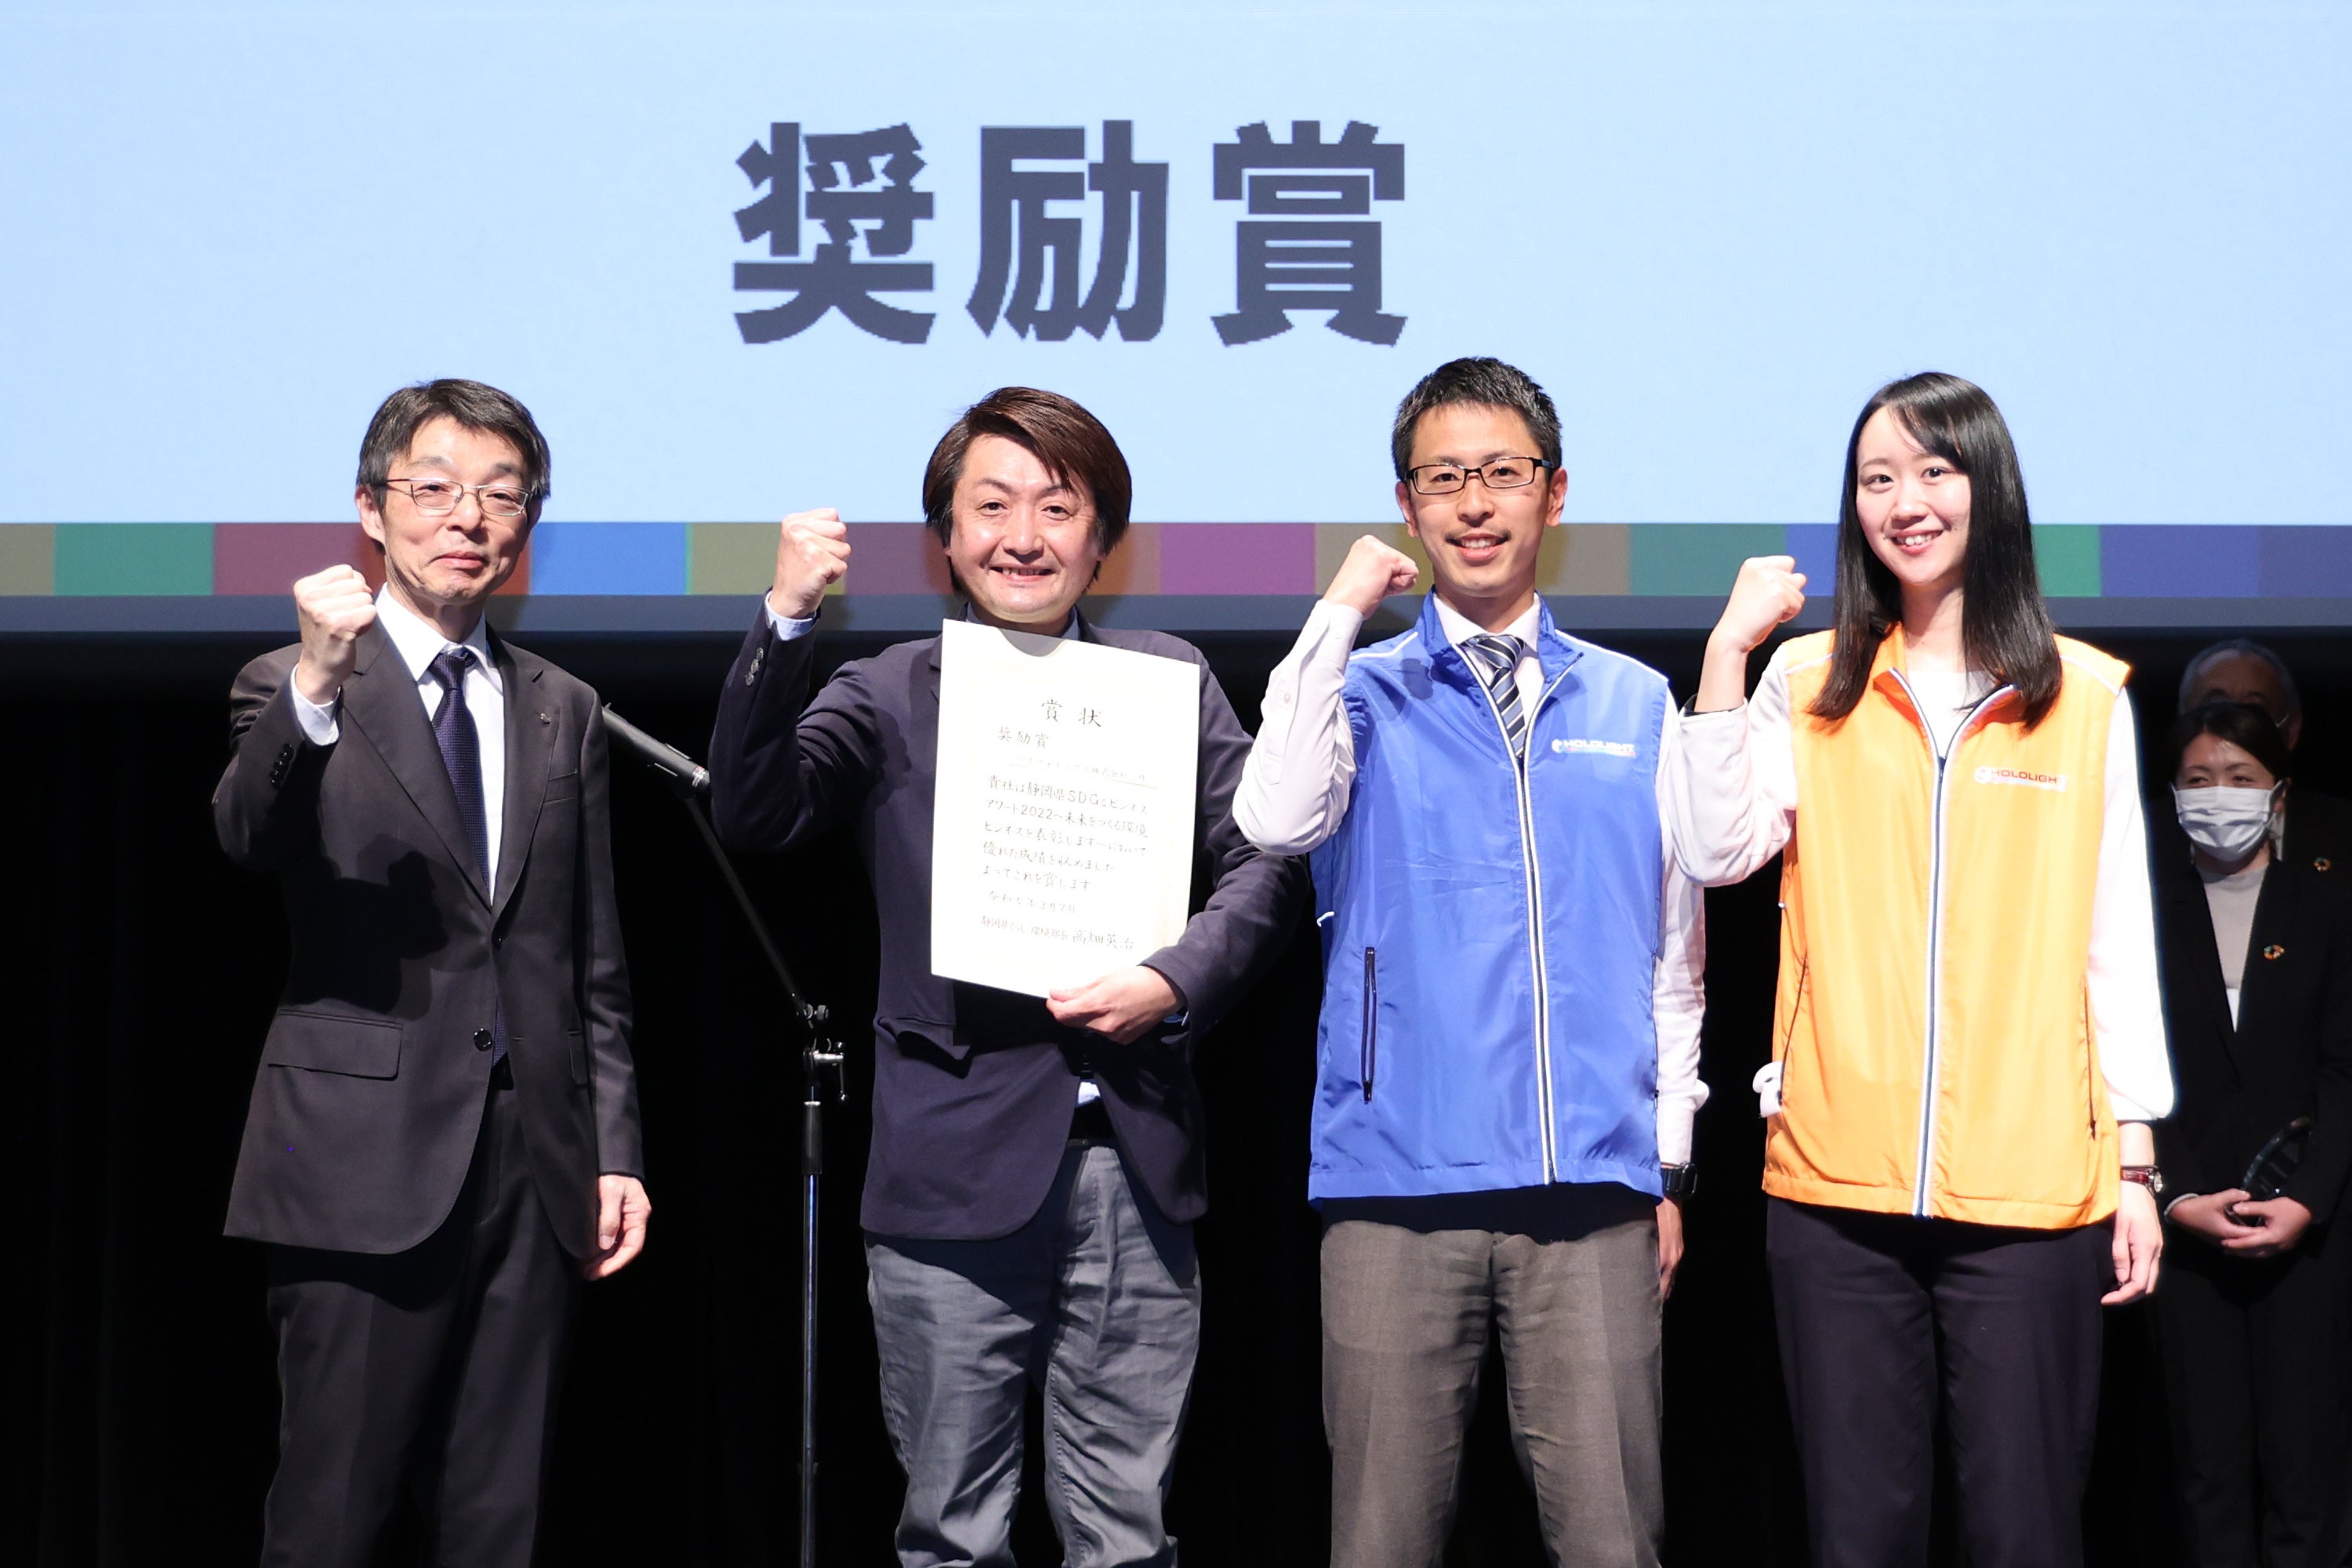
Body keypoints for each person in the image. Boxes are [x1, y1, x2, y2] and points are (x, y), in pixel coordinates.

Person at [706, 387, 1303, 1568]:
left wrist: (1174, 979)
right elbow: (756, 807)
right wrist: (785, 616)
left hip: (1136, 1165)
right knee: (953, 1535)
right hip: (950, 1169)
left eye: (1058, 506)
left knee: (1129, 1535)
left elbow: (1265, 866)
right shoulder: (887, 691)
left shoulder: (1166, 677)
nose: (1023, 536)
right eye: (991, 506)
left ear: (1103, 539)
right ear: (944, 539)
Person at [1669, 371, 2174, 1567]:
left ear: (1986, 488)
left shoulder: (2085, 698)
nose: (1904, 500)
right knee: (1858, 1537)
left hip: (2034, 1196)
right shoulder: (1809, 682)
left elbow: (2117, 942)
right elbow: (1710, 847)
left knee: (2025, 1533)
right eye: (1876, 478)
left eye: (1933, 471)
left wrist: (2139, 1157)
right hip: (1836, 1192)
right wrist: (1727, 655)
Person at [1235, 356, 1707, 1568]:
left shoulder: (1639, 703)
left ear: (1556, 493)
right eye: (1444, 478)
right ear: (1408, 506)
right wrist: (1337, 615)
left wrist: (1669, 1166)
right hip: (1396, 1187)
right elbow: (1275, 820)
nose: (1475, 503)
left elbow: (1675, 959)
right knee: (1381, 1545)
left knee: (1615, 1545)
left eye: (1503, 472)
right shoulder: (1362, 691)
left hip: (1592, 1195)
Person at [212, 379, 649, 1567]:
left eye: (502, 497)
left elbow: (589, 955)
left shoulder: (564, 707)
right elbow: (248, 835)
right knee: (331, 1517)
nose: (470, 517)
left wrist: (615, 1149)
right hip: (360, 1161)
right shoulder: (291, 684)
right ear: (370, 509)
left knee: (497, 1524)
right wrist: (313, 681)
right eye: (436, 489)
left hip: (535, 1168)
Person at [2152, 700, 2352, 1568]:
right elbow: (2119, 1071)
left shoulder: (2327, 905)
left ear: (2279, 794)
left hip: (2309, 1230)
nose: (2217, 796)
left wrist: (2308, 1199)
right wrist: (2180, 1194)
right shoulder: (2141, 911)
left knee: (2308, 1474)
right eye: (2199, 780)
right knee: (2207, 1473)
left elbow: (2346, 1071)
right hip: (2186, 1232)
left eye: (2239, 778)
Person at [2178, 637, 2352, 877]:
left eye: (2254, 709)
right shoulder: (2132, 832)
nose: (2234, 728)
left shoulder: (2343, 831)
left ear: (2291, 730)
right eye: (2215, 707)